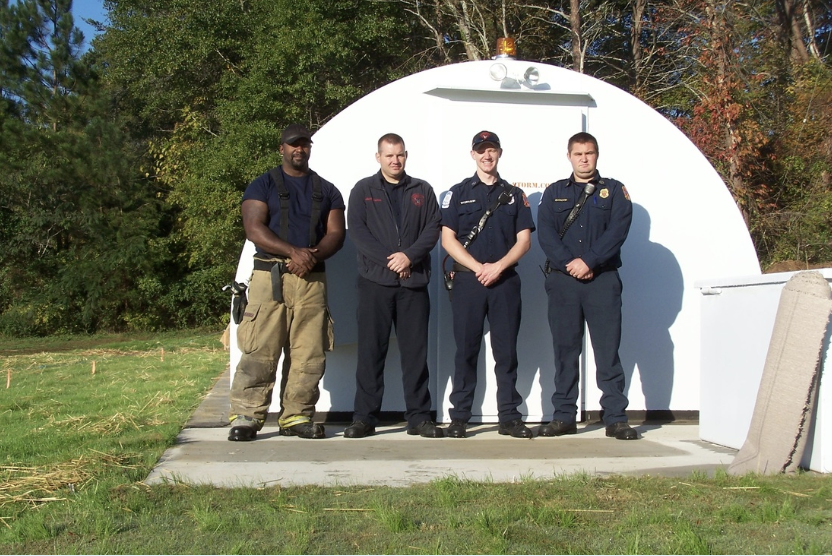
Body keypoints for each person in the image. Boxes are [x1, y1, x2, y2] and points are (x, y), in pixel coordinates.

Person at [228, 123, 346, 441]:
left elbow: (337, 233)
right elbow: (254, 228)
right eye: (294, 144)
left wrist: (309, 256)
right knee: (260, 349)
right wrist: (294, 252)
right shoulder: (262, 184)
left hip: (312, 280)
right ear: (282, 148)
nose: (299, 149)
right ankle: (247, 416)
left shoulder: (327, 189)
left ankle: (296, 416)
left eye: (305, 144)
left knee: (309, 352)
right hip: (271, 276)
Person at [537, 131, 638, 440]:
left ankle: (616, 418)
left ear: (597, 155)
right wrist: (571, 263)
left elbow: (617, 231)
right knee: (565, 350)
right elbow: (546, 234)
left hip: (602, 281)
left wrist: (589, 261)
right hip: (564, 282)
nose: (584, 158)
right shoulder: (554, 192)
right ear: (569, 156)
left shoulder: (614, 191)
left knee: (607, 351)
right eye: (578, 153)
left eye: (589, 153)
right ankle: (564, 416)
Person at [344, 133, 443, 438]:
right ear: (378, 157)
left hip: (413, 284)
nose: (395, 161)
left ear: (406, 155)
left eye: (399, 155)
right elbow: (358, 232)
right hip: (375, 283)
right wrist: (391, 259)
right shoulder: (363, 190)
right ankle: (364, 417)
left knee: (416, 354)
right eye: (389, 156)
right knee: (371, 352)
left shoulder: (422, 190)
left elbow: (433, 228)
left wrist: (409, 257)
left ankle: (418, 417)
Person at [440, 131, 535, 439]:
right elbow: (447, 239)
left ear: (499, 153)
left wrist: (498, 267)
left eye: (491, 150)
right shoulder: (457, 193)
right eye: (481, 150)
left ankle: (509, 416)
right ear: (473, 155)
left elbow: (524, 241)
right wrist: (478, 267)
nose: (487, 156)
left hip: (505, 281)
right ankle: (460, 417)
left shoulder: (514, 195)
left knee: (506, 353)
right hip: (468, 281)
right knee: (466, 352)